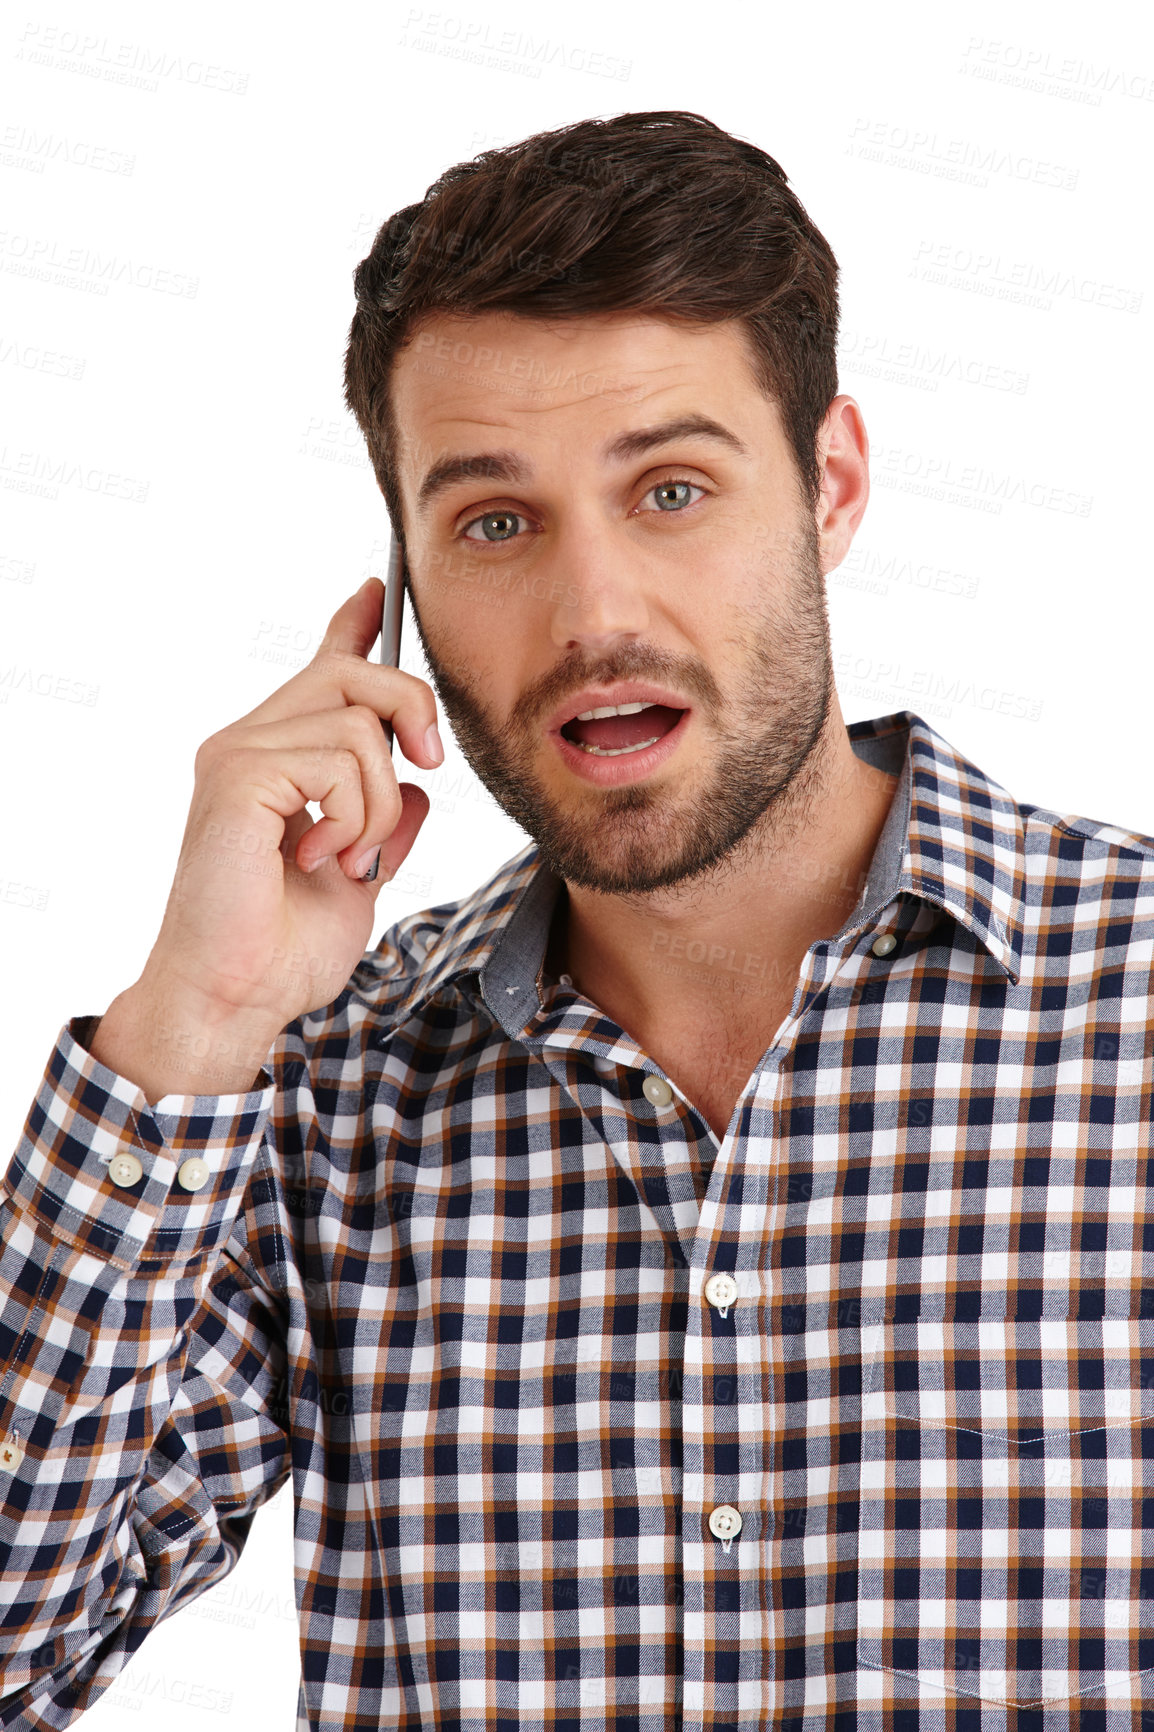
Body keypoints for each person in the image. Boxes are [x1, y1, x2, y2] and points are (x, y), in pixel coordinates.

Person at [1, 108, 1151, 1732]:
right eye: (491, 523)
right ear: (400, 582)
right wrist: (187, 1031)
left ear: (828, 488)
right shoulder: (326, 1095)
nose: (593, 612)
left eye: (670, 489)